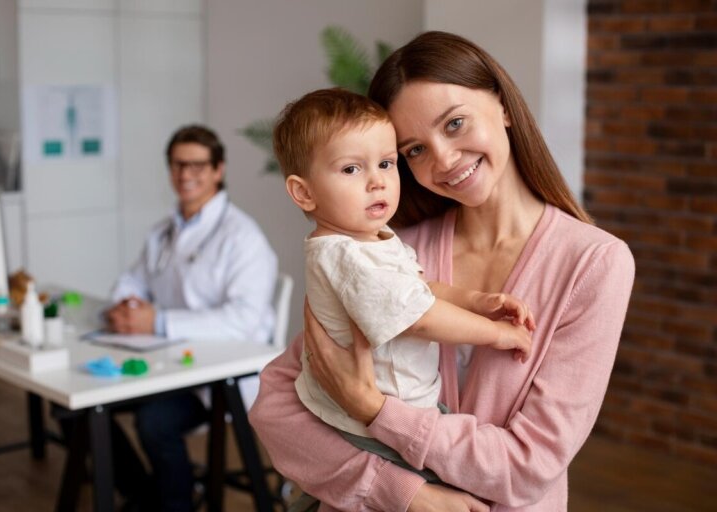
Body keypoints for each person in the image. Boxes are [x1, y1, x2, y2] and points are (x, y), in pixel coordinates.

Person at [249, 31, 635, 512]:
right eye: (414, 150)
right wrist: (404, 494)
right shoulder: (386, 253)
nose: (444, 160)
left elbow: (527, 466)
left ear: (503, 104)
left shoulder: (593, 264)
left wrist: (372, 409)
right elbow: (277, 408)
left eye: (454, 124)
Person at [273, 88, 534, 451]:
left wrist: (477, 300)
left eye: (386, 163)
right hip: (373, 429)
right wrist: (497, 334)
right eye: (351, 168)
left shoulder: (372, 240)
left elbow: (419, 290)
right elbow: (420, 317)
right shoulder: (347, 257)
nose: (377, 180)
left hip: (398, 411)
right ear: (304, 193)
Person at [104, 124, 278, 511]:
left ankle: (175, 503)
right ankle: (146, 495)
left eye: (197, 165)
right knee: (77, 410)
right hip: (165, 361)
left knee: (154, 423)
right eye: (178, 165)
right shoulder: (165, 230)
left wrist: (159, 322)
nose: (186, 175)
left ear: (218, 170)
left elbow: (243, 321)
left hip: (216, 376)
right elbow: (135, 277)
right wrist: (126, 305)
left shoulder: (243, 237)